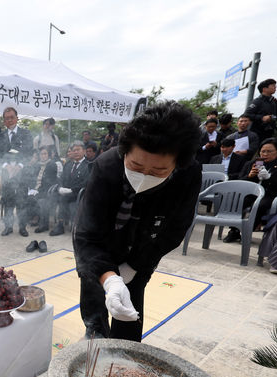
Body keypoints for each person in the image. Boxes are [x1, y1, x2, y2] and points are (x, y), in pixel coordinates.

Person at [73, 101, 202, 341]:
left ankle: (127, 353)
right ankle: (95, 334)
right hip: (102, 241)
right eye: (136, 166)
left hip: (144, 243)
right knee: (94, 296)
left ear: (177, 164)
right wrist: (109, 278)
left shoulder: (188, 174)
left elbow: (175, 229)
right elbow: (86, 235)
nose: (143, 177)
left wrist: (136, 265)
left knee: (129, 310)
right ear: (125, 151)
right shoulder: (106, 166)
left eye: (157, 172)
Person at [231, 138, 277, 239]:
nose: (265, 154)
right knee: (239, 200)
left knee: (261, 205)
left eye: (269, 151)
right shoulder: (252, 163)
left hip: (269, 195)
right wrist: (250, 176)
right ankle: (234, 230)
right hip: (251, 193)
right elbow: (240, 181)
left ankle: (248, 229)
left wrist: (269, 178)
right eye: (263, 151)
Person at [0, 106, 33, 237]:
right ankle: (8, 227)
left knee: (22, 201)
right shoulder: (0, 136)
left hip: (22, 173)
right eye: (7, 118)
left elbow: (29, 153)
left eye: (12, 117)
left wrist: (19, 166)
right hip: (7, 174)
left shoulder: (26, 134)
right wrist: (7, 166)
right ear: (4, 121)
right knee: (7, 200)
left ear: (17, 118)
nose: (10, 120)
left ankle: (22, 227)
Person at [50, 141, 90, 236]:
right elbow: (61, 178)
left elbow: (86, 182)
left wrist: (72, 190)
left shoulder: (88, 165)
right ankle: (46, 221)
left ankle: (60, 225)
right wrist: (60, 187)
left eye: (78, 150)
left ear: (84, 151)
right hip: (66, 191)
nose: (75, 152)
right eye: (73, 150)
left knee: (63, 198)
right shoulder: (68, 164)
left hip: (79, 193)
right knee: (53, 194)